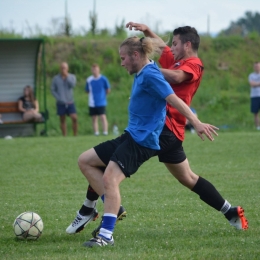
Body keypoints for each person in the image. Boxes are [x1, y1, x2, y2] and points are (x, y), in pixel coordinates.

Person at [66, 23, 248, 243]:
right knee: (188, 178)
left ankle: (98, 217)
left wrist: (147, 70)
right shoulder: (168, 61)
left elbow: (177, 81)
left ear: (187, 44)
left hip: (164, 129)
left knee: (109, 173)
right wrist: (146, 33)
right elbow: (157, 48)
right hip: (163, 129)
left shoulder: (193, 65)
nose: (170, 47)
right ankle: (229, 210)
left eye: (175, 43)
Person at [51, 62, 77, 136]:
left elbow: (73, 85)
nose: (63, 69)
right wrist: (58, 97)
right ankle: (64, 135)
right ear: (60, 69)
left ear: (67, 69)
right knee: (62, 119)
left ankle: (75, 135)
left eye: (65, 68)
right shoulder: (56, 79)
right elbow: (53, 89)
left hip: (70, 101)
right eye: (62, 68)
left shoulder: (72, 77)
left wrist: (67, 77)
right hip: (61, 102)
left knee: (74, 118)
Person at [85, 64, 110, 135]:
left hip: (101, 101)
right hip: (92, 102)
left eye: (95, 69)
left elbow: (107, 89)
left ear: (98, 70)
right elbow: (87, 90)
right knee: (94, 117)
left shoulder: (103, 79)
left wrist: (103, 96)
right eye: (93, 69)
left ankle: (105, 132)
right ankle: (96, 132)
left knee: (103, 116)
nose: (94, 71)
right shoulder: (89, 80)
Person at [248, 61, 260, 130]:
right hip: (254, 96)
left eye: (258, 66)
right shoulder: (251, 75)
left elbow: (254, 84)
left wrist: (256, 84)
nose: (257, 67)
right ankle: (257, 127)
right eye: (255, 66)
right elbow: (252, 84)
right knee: (255, 112)